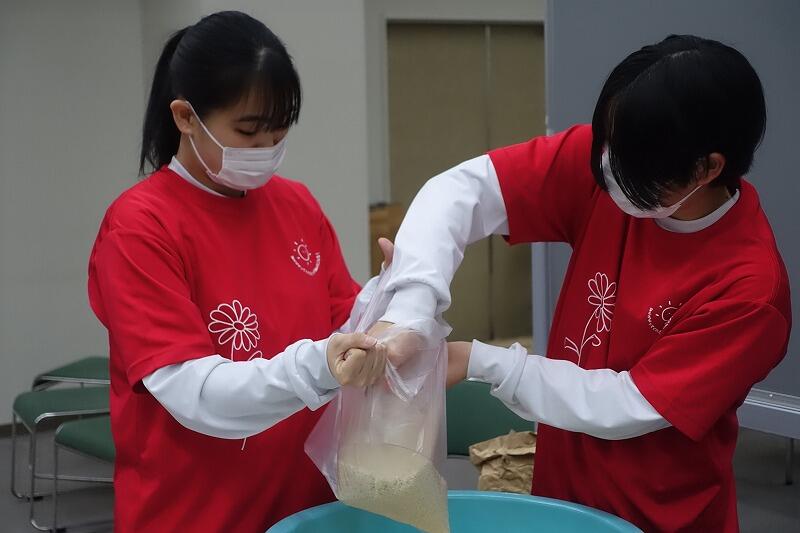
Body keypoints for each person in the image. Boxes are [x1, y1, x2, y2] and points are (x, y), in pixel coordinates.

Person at [375, 35, 791, 531]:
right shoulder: (621, 156)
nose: (608, 171)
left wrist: (480, 361)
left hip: (660, 516)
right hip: (562, 500)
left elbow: (627, 403)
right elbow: (463, 191)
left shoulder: (750, 290)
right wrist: (410, 309)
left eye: (628, 165)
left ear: (707, 168)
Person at [88, 11, 389, 532]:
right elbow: (195, 395)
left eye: (279, 131)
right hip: (195, 513)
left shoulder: (296, 205)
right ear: (185, 117)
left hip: (304, 507)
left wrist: (390, 296)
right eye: (249, 131)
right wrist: (318, 367)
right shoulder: (139, 227)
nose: (267, 149)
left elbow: (346, 321)